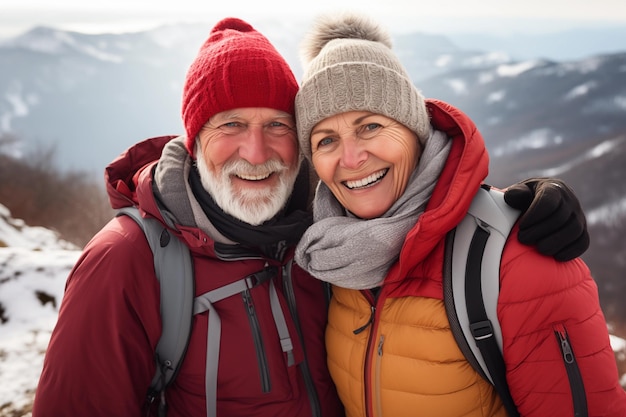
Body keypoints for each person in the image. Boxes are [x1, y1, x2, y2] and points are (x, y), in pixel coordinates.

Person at [32, 16, 591, 417]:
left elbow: (424, 208)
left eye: (277, 125)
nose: (256, 152)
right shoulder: (128, 262)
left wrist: (504, 209)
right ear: (194, 138)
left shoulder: (322, 231)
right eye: (229, 125)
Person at [294, 13, 626, 417]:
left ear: (413, 128)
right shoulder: (325, 257)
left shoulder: (515, 257)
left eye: (370, 127)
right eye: (326, 139)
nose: (351, 157)